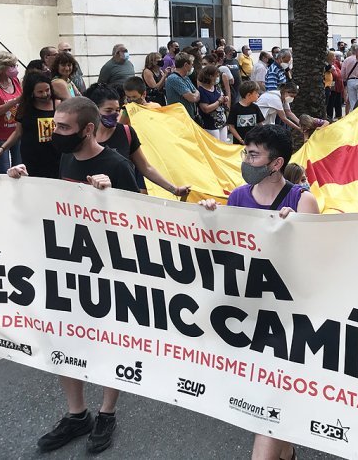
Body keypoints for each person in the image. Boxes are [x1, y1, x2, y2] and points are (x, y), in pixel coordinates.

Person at [7, 97, 137, 455]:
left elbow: (142, 222)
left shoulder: (117, 164)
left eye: (64, 128)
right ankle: (76, 413)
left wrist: (111, 196)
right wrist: (23, 184)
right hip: (69, 268)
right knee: (65, 339)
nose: (56, 133)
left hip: (108, 271)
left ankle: (106, 412)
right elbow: (58, 203)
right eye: (56, 125)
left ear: (89, 129)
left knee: (110, 342)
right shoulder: (65, 157)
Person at [198, 124, 318, 460]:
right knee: (270, 403)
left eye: (254, 154)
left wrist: (297, 228)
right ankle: (288, 452)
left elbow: (317, 263)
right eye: (246, 153)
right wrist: (209, 218)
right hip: (249, 314)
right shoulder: (237, 197)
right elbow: (226, 249)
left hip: (288, 319)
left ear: (276, 163)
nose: (246, 160)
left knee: (270, 403)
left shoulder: (302, 200)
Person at [86, 83, 189, 197]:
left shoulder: (126, 133)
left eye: (117, 110)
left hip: (125, 200)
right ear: (95, 110)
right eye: (108, 110)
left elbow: (146, 168)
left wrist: (174, 190)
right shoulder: (84, 136)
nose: (115, 114)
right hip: (93, 200)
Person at [0, 73, 60, 178]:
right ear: (32, 92)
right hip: (32, 158)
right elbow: (18, 132)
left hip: (55, 158)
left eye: (47, 90)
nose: (45, 94)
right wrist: (2, 148)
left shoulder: (59, 105)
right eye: (40, 92)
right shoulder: (25, 107)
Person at [195, 65, 230, 141]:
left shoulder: (216, 87)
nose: (218, 78)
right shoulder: (201, 91)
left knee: (223, 145)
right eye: (216, 76)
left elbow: (222, 96)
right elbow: (206, 109)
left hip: (222, 123)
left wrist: (225, 98)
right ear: (210, 77)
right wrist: (219, 101)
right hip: (210, 125)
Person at [227, 81, 264, 145]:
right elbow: (231, 127)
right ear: (249, 95)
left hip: (253, 142)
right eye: (256, 93)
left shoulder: (255, 107)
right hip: (239, 144)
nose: (258, 95)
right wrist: (241, 140)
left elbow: (260, 125)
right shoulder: (235, 108)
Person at [165, 52, 200, 119]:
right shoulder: (174, 79)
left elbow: (197, 92)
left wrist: (195, 94)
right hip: (180, 118)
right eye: (191, 64)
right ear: (186, 65)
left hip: (189, 117)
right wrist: (195, 95)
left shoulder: (185, 77)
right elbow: (192, 98)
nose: (192, 67)